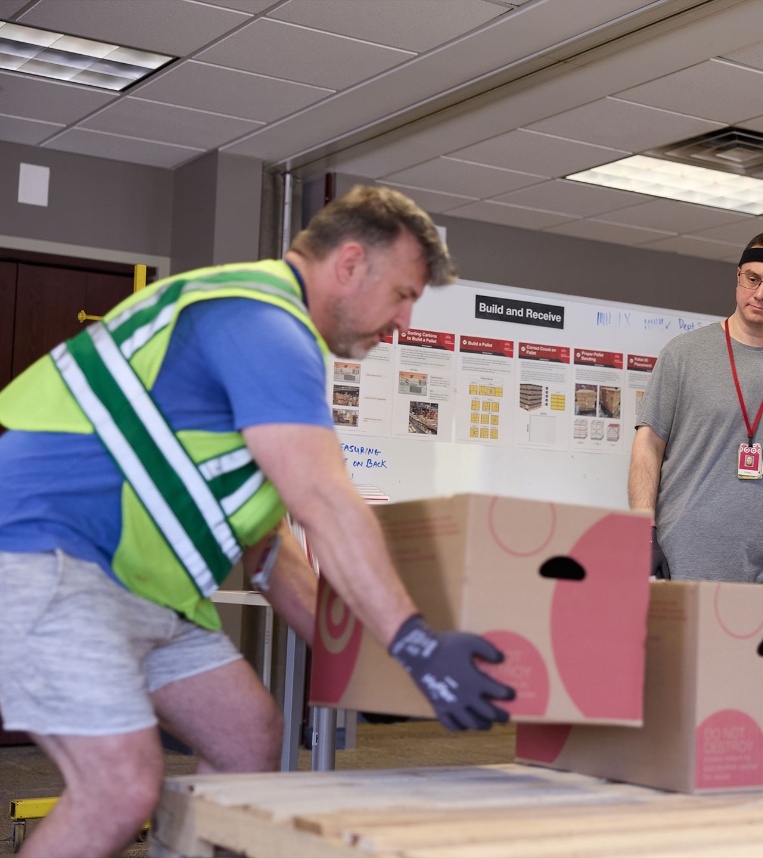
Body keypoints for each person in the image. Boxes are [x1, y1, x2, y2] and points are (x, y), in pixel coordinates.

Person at [0, 185, 515, 857]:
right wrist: (413, 645)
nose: (406, 322)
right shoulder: (259, 319)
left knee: (247, 738)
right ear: (351, 263)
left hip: (149, 589)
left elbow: (271, 552)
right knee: (120, 786)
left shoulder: (270, 337)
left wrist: (362, 664)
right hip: (54, 558)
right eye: (403, 293)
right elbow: (325, 501)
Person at [628, 231, 763, 586]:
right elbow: (648, 447)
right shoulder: (683, 355)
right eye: (752, 278)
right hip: (684, 566)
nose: (760, 293)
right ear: (738, 276)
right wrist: (643, 535)